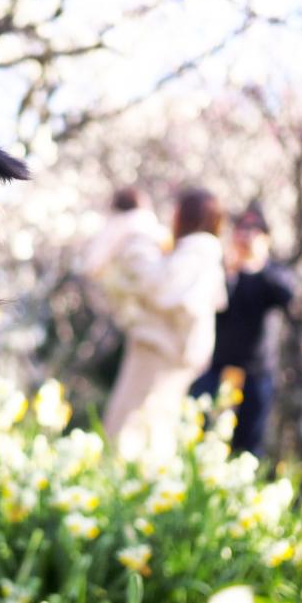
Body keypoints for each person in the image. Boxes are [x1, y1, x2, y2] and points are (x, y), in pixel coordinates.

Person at [103, 187, 227, 458]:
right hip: (170, 351)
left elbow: (162, 289)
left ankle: (120, 487)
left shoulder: (197, 252)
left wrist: (138, 252)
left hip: (160, 349)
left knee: (130, 424)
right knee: (154, 424)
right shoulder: (202, 253)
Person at [190, 202, 293, 456]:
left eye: (254, 230)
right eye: (241, 229)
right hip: (217, 366)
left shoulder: (273, 273)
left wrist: (256, 264)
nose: (246, 236)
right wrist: (231, 270)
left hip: (256, 372)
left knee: (248, 445)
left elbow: (287, 297)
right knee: (199, 435)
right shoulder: (223, 268)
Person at [82, 186, 170, 334]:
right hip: (154, 287)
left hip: (126, 295)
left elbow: (92, 266)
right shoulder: (148, 222)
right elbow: (169, 247)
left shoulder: (110, 229)